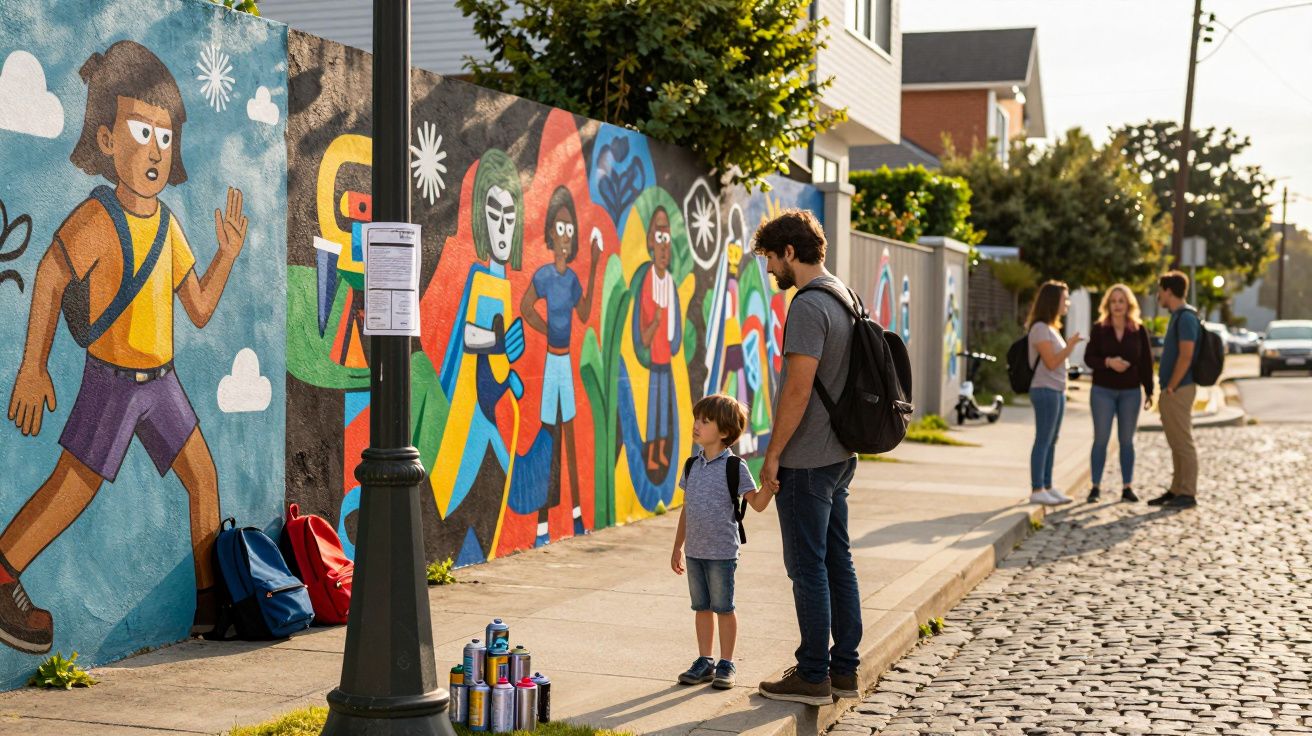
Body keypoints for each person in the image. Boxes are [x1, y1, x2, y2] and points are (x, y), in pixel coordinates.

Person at [0, 41, 247, 651]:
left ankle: (210, 607)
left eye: (165, 135)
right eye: (141, 130)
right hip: (111, 382)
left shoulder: (167, 224)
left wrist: (226, 255)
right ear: (107, 140)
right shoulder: (99, 216)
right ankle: (4, 570)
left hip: (161, 384)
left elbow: (197, 307)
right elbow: (54, 274)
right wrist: (32, 367)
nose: (156, 150)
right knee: (73, 489)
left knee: (204, 479)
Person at [751, 209, 862, 706]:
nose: (770, 270)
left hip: (808, 459)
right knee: (837, 560)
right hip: (839, 453)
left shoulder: (807, 306)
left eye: (772, 259)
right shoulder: (845, 296)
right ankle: (844, 670)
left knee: (807, 567)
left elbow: (797, 389)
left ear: (790, 253)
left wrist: (773, 454)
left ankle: (813, 673)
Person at [670, 394, 772, 690]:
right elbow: (686, 510)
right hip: (695, 552)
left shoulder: (735, 467)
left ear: (725, 432)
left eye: (705, 421)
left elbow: (757, 503)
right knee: (701, 607)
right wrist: (678, 546)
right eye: (697, 419)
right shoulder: (692, 465)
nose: (697, 425)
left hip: (722, 552)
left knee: (724, 608)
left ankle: (726, 663)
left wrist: (770, 487)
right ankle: (705, 661)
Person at [520, 186, 602, 547]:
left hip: (564, 362)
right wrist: (546, 329)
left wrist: (596, 265)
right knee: (549, 439)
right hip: (551, 363)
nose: (565, 235)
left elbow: (583, 314)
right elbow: (525, 308)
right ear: (551, 232)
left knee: (568, 437)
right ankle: (541, 522)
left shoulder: (570, 280)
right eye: (561, 228)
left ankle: (577, 515)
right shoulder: (543, 276)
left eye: (571, 229)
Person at [1083, 284, 1154, 503]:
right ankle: (1095, 487)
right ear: (1107, 305)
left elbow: (1146, 362)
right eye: (1113, 301)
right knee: (1101, 439)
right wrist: (1108, 362)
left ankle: (1127, 487)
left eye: (1121, 301)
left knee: (1126, 440)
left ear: (1128, 304)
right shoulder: (1099, 329)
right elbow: (1089, 358)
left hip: (1130, 392)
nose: (1117, 305)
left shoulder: (1138, 330)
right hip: (1102, 390)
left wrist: (1149, 391)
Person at [1025, 281, 1082, 506]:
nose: (1067, 303)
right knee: (1043, 439)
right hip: (1045, 390)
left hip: (1057, 390)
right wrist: (1070, 347)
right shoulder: (1040, 328)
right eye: (1064, 299)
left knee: (1052, 440)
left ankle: (1047, 485)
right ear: (1052, 301)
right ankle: (1037, 488)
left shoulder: (1051, 328)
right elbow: (1050, 362)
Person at [1149, 271, 1200, 509]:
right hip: (1173, 389)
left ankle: (1188, 493)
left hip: (1179, 389)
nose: (1158, 295)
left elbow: (1186, 355)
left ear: (1169, 291)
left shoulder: (1186, 318)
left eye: (1160, 290)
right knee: (1175, 441)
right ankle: (1176, 489)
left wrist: (1171, 386)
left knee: (1183, 442)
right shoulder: (1178, 316)